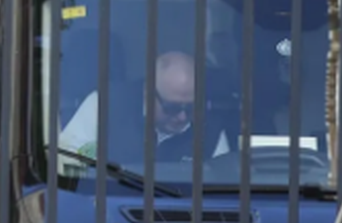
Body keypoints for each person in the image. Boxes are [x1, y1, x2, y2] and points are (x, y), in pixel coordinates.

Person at [55, 50, 227, 167]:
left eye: (191, 108)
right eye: (172, 108)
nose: (182, 117)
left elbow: (220, 189)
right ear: (147, 93)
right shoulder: (106, 105)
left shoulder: (211, 130)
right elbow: (67, 163)